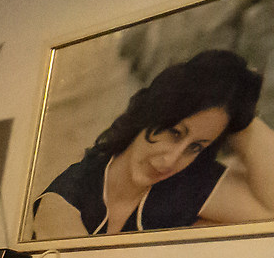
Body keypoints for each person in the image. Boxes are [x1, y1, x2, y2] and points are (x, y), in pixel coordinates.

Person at [30, 48, 274, 238]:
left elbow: (270, 213)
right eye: (174, 132)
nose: (171, 161)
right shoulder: (67, 195)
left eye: (196, 146)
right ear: (150, 112)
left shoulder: (184, 184)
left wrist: (240, 119)